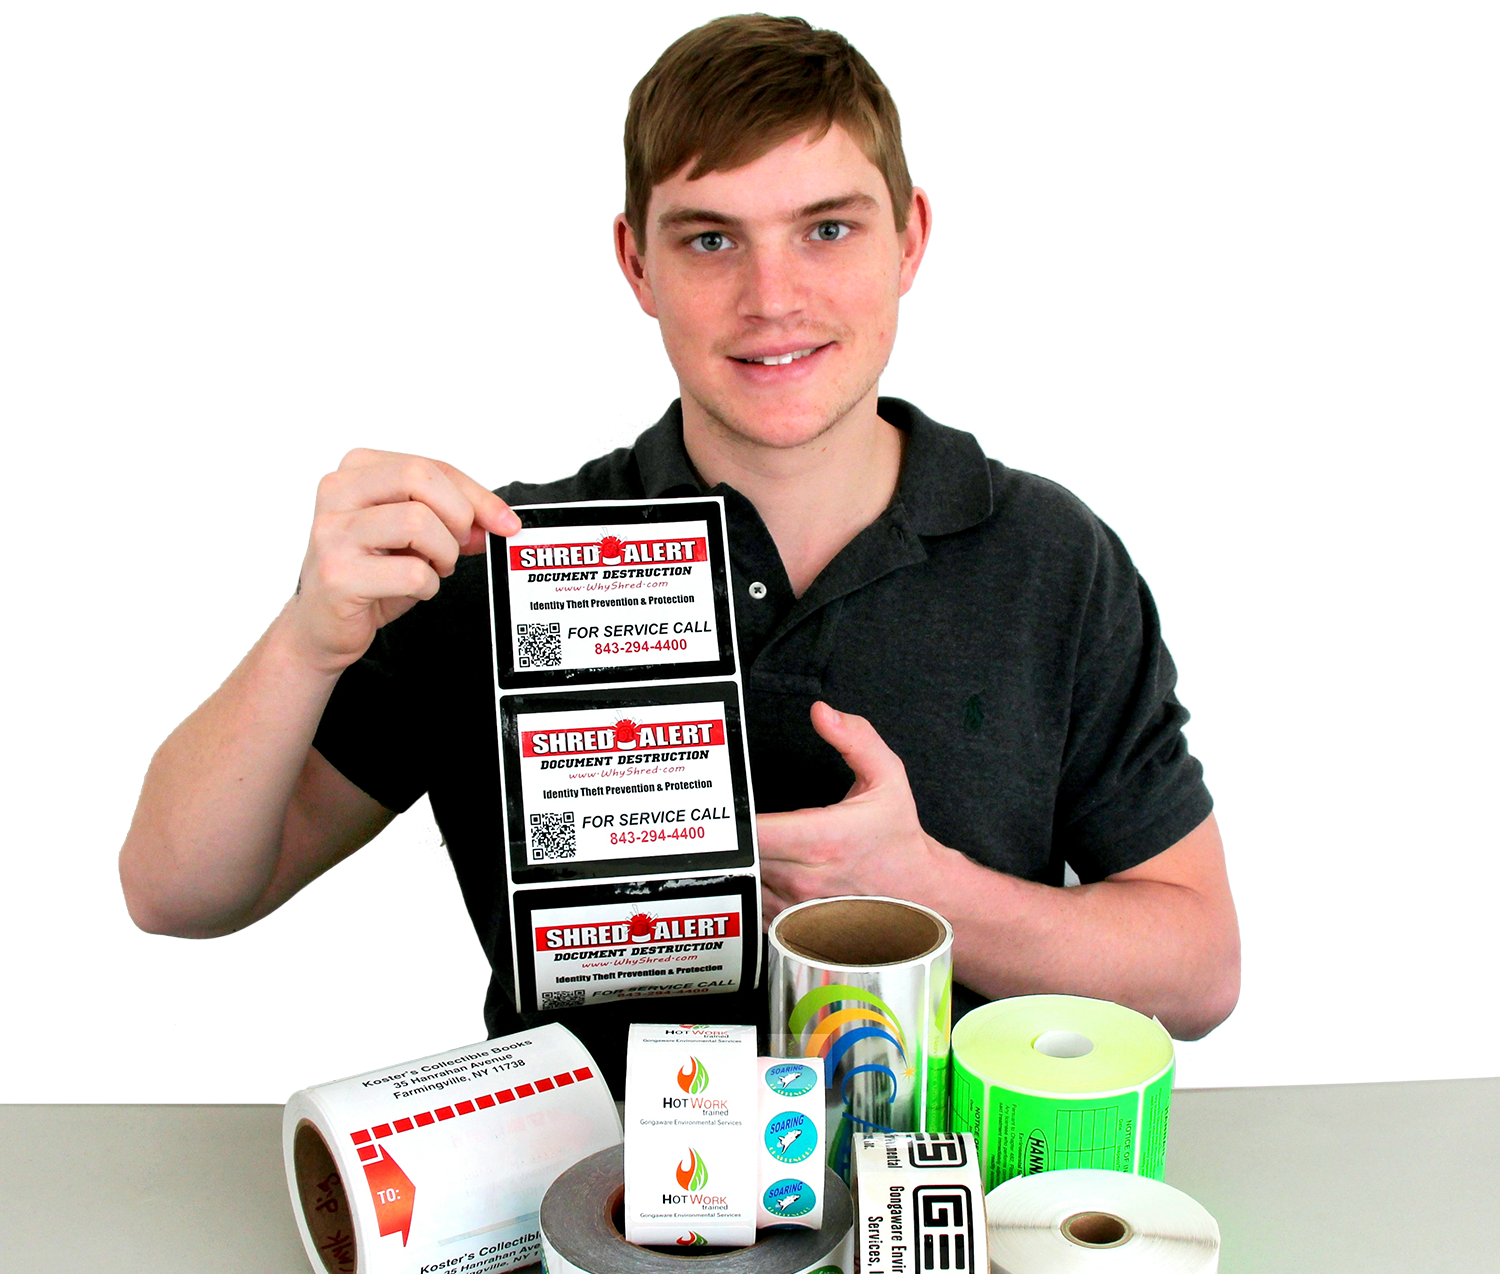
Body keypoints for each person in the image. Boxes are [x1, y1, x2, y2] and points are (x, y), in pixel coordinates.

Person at [120, 14, 1239, 1094]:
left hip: (941, 1206)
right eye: (711, 239)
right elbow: (177, 893)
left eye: (828, 229)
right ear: (636, 263)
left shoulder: (1051, 558)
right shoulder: (497, 563)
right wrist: (304, 642)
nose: (772, 298)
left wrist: (921, 890)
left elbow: (1198, 972)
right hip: (586, 1205)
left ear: (910, 239)